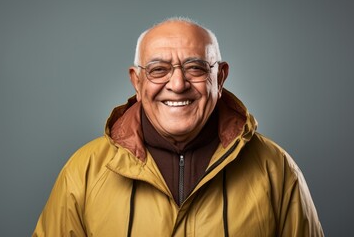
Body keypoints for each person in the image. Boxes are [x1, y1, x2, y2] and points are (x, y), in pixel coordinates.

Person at [33, 17, 324, 236]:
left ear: (220, 78)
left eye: (195, 68)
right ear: (137, 82)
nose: (177, 84)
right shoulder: (83, 173)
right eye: (159, 69)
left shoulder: (276, 169)